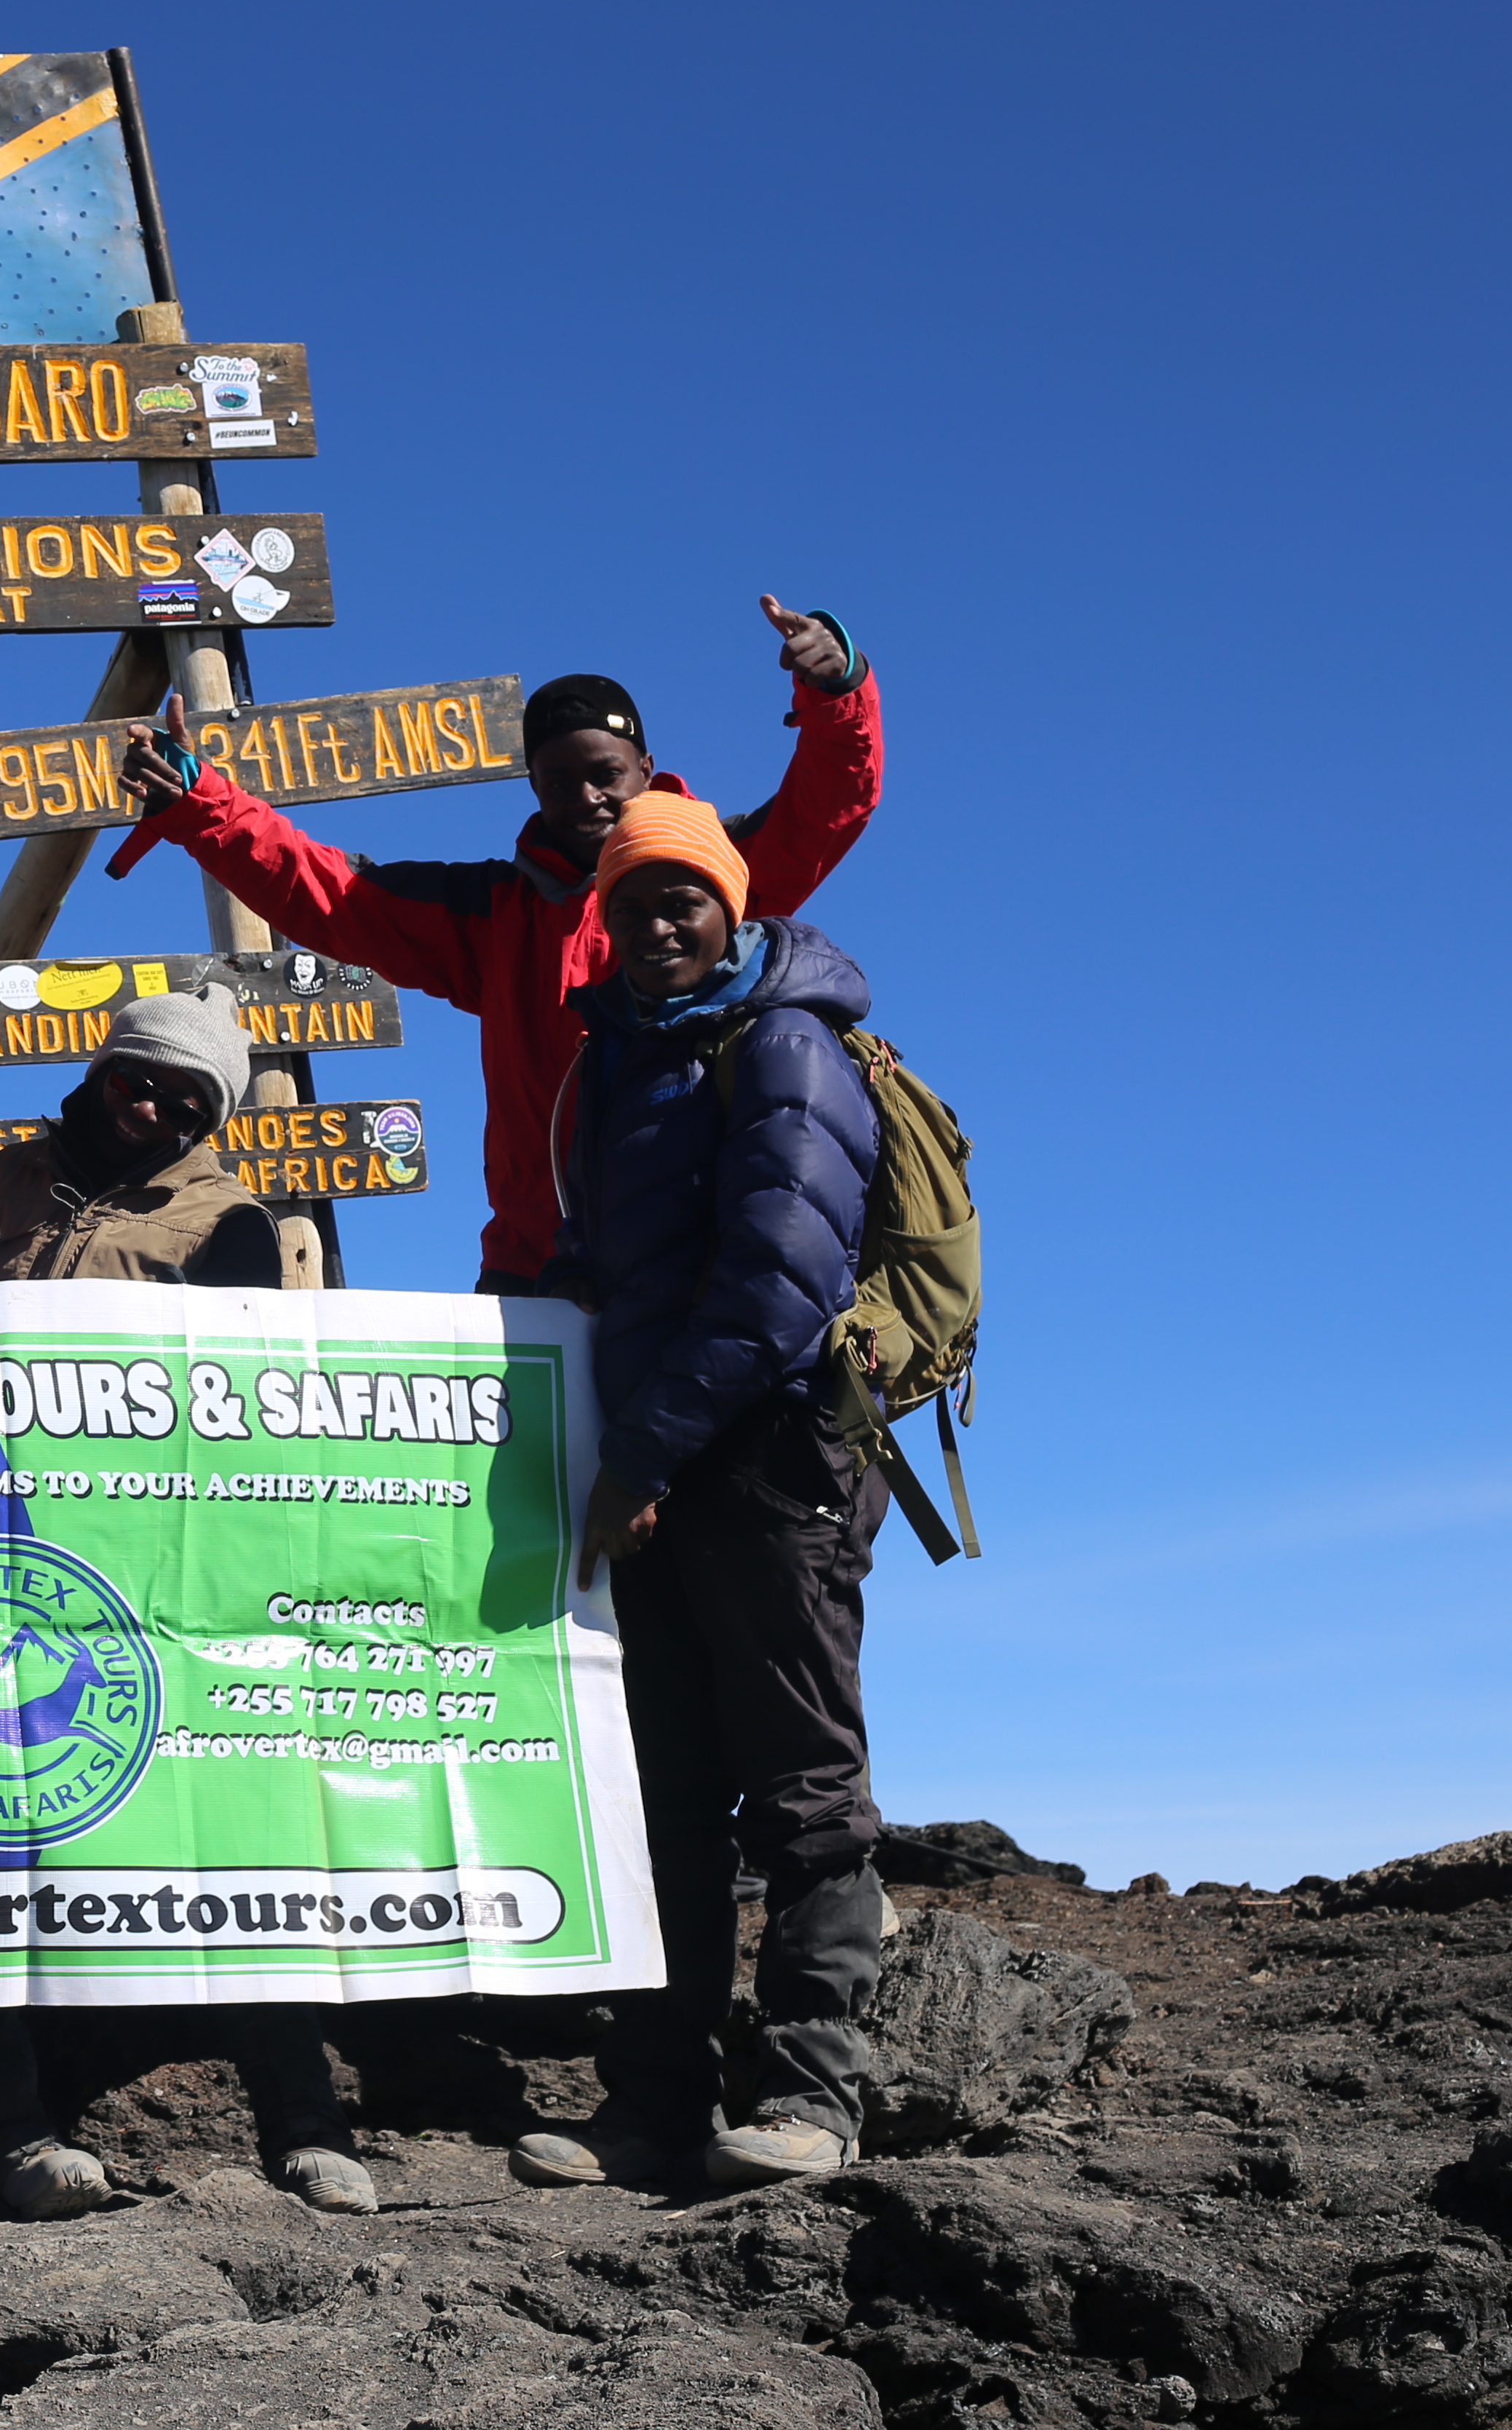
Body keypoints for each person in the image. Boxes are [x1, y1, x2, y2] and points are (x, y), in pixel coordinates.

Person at [0, 990, 380, 2217]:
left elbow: (230, 1400)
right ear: (102, 1067)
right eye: (139, 1079)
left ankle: (304, 2122)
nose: (154, 1107)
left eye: (185, 1098)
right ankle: (1, 2138)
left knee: (233, 1831)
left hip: (152, 1571)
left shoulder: (228, 1221)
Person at [510, 793, 889, 2193]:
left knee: (801, 1791)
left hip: (768, 1460)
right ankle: (654, 2104)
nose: (658, 923)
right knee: (661, 1791)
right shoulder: (614, 1055)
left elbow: (777, 1286)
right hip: (653, 1472)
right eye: (630, 904)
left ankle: (809, 2096)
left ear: (731, 904)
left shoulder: (783, 1043)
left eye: (683, 897)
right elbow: (622, 1265)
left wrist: (640, 1451)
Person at [116, 595, 880, 1290]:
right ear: (535, 789)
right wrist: (202, 806)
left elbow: (825, 810)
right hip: (536, 1267)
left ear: (646, 769)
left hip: (694, 1260)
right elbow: (330, 894)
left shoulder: (712, 879)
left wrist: (837, 692)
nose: (588, 797)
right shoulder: (492, 914)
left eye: (607, 774)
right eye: (558, 781)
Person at [0, 987, 284, 1289]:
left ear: (201, 1127)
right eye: (132, 1083)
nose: (145, 1110)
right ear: (102, 1071)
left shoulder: (232, 1222)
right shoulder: (3, 1175)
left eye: (178, 1110)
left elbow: (246, 1366)